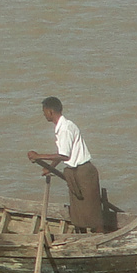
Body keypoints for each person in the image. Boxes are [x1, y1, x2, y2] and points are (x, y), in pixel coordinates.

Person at [27, 97, 105, 233]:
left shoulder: (66, 129)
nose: (43, 114)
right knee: (77, 211)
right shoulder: (61, 128)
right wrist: (50, 167)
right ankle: (82, 237)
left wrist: (39, 156)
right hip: (73, 172)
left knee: (92, 211)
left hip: (84, 172)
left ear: (50, 112)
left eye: (44, 111)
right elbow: (62, 152)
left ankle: (99, 238)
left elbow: (64, 155)